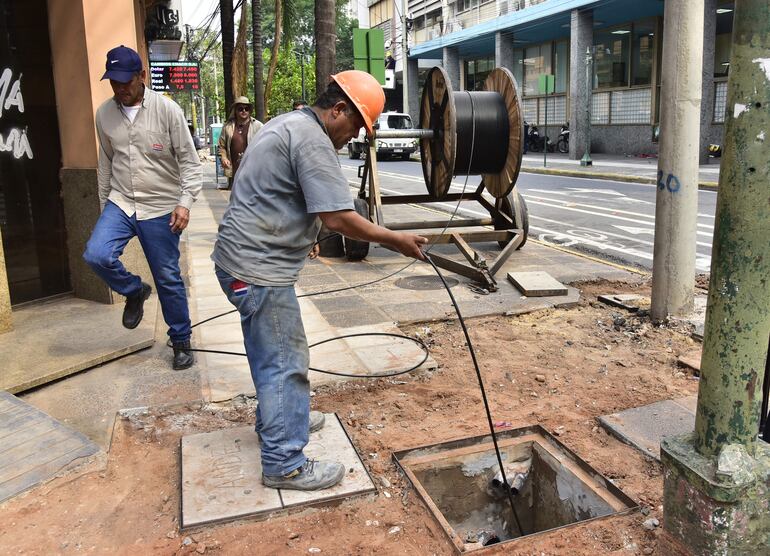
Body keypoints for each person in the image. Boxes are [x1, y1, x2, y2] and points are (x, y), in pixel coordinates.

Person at [212, 71, 427, 491]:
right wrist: (394, 239)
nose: (354, 138)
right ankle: (284, 462)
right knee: (285, 363)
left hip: (241, 261)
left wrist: (302, 231)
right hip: (258, 270)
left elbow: (283, 195)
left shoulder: (286, 123)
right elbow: (338, 218)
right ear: (339, 110)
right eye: (356, 127)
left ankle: (279, 418)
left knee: (268, 353)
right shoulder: (312, 139)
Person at [83, 45, 202, 370]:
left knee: (167, 277)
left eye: (126, 81)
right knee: (96, 254)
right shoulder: (104, 114)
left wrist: (184, 203)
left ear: (142, 76)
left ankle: (180, 339)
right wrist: (104, 204)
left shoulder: (167, 111)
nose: (120, 88)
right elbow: (106, 162)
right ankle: (134, 291)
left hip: (161, 206)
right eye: (114, 82)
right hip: (121, 202)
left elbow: (190, 164)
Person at [217, 96, 263, 190]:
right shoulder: (227, 127)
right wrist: (224, 157)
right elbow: (221, 146)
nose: (244, 111)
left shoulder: (258, 126)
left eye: (246, 109)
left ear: (250, 111)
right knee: (235, 198)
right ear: (235, 111)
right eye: (240, 109)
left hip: (252, 170)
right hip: (234, 170)